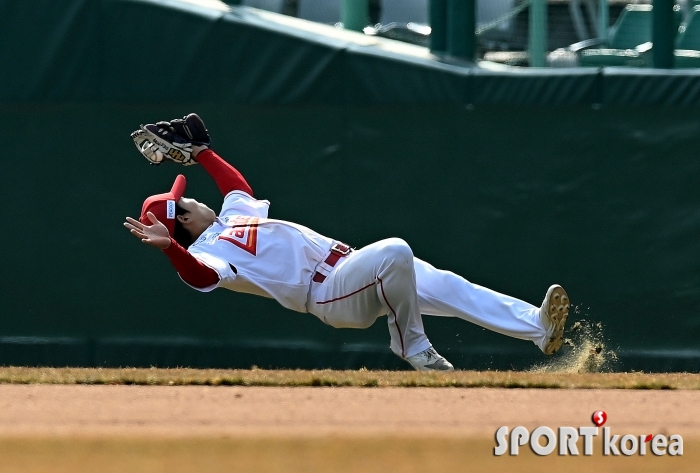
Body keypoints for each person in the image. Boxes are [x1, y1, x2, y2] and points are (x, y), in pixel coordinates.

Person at [124, 114, 570, 371]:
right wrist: (171, 249)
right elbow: (201, 278)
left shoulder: (232, 219)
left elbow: (236, 185)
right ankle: (411, 346)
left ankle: (536, 327)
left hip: (352, 269)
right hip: (330, 295)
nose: (199, 199)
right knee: (396, 250)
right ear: (182, 218)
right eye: (189, 200)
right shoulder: (206, 252)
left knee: (445, 283)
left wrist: (203, 153)